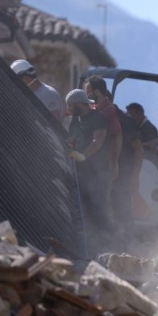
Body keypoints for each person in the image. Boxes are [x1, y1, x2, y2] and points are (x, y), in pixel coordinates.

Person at [65, 89, 110, 233]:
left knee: (98, 209)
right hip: (81, 174)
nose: (69, 109)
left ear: (79, 104)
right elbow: (71, 140)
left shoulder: (98, 117)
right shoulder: (75, 121)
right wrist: (69, 147)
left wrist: (83, 155)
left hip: (98, 173)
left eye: (71, 106)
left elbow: (98, 141)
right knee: (83, 210)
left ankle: (108, 242)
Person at [111, 105, 143, 234]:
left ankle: (127, 241)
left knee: (123, 207)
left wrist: (134, 177)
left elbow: (139, 149)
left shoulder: (124, 122)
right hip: (111, 173)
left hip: (123, 173)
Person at [84, 76, 123, 182]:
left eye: (88, 92)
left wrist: (114, 162)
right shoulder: (95, 109)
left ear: (97, 92)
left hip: (103, 163)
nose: (86, 95)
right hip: (92, 161)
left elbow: (117, 136)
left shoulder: (108, 110)